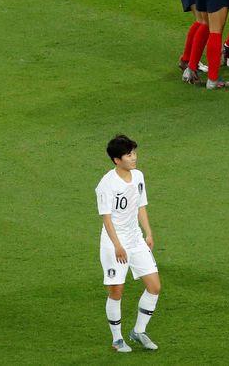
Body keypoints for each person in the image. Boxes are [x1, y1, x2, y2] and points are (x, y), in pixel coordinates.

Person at [95, 135, 161, 353]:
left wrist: (148, 233)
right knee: (116, 291)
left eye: (134, 153)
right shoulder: (107, 184)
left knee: (154, 286)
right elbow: (106, 217)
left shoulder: (139, 176)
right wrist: (117, 245)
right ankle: (117, 339)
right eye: (129, 155)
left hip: (136, 240)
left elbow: (141, 206)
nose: (134, 158)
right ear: (117, 159)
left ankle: (139, 331)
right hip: (115, 243)